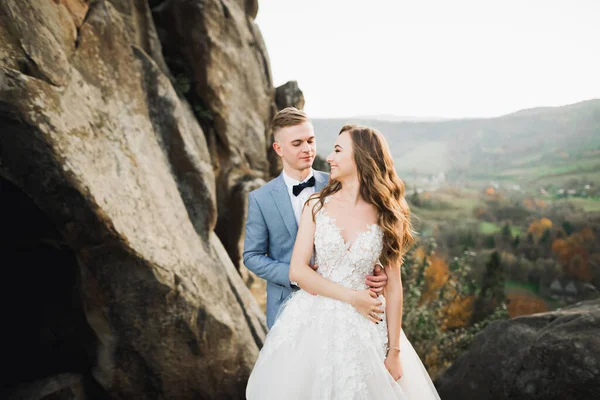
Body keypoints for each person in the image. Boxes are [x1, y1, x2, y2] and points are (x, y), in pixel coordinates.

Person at [246, 125, 441, 399]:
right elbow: (298, 270)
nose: (329, 157)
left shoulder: (388, 214)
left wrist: (394, 351)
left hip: (370, 328)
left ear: (360, 156)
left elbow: (394, 286)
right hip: (312, 322)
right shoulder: (315, 204)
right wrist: (353, 298)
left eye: (338, 150)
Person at [243, 108, 388, 329]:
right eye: (297, 143)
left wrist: (376, 268)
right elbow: (252, 256)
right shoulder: (260, 199)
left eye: (311, 140)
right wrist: (295, 275)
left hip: (343, 307)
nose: (307, 149)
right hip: (286, 303)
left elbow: (364, 228)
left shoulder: (338, 182)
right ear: (278, 148)